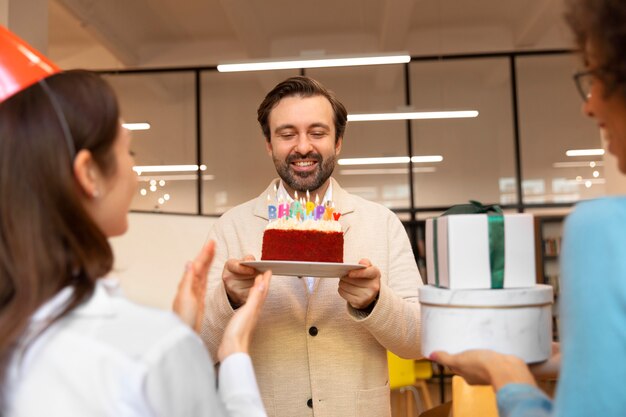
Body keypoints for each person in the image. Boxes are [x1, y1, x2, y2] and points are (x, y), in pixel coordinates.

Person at [0, 26, 270, 416]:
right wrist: (234, 356)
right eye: (130, 151)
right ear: (88, 173)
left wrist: (181, 332)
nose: (135, 172)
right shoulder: (152, 349)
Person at [430, 1, 626, 416]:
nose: (589, 105)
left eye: (598, 77)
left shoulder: (603, 230)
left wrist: (508, 378)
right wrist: (574, 357)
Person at [201, 76, 422, 416]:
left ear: (338, 142)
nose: (303, 147)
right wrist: (229, 299)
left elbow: (420, 340)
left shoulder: (381, 223)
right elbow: (197, 348)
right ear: (268, 144)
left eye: (317, 133)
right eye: (287, 134)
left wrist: (376, 302)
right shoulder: (232, 227)